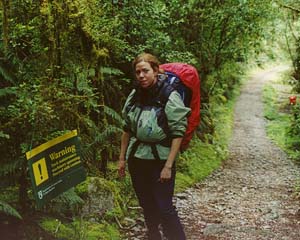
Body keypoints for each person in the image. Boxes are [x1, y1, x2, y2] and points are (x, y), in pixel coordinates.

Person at [118, 53, 190, 240]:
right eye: (138, 72)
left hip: (161, 160)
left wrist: (168, 166)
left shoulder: (169, 95)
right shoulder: (135, 95)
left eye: (145, 71)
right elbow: (126, 128)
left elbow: (178, 133)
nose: (141, 75)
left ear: (156, 71)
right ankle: (153, 236)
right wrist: (121, 159)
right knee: (147, 204)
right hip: (137, 158)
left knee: (164, 207)